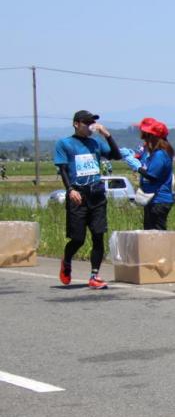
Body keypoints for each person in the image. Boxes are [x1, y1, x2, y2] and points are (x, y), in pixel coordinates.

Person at [53, 110, 122, 289]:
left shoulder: (95, 143)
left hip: (97, 194)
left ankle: (94, 276)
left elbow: (116, 155)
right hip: (78, 194)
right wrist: (70, 190)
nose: (90, 125)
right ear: (76, 124)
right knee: (78, 239)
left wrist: (108, 135)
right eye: (86, 122)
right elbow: (63, 169)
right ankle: (67, 260)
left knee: (98, 235)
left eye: (92, 122)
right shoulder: (65, 144)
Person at [121, 118, 175, 230]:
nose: (143, 138)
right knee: (149, 233)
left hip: (158, 200)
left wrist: (138, 167)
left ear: (151, 136)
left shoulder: (160, 155)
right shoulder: (154, 155)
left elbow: (152, 176)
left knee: (156, 234)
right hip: (151, 200)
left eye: (145, 135)